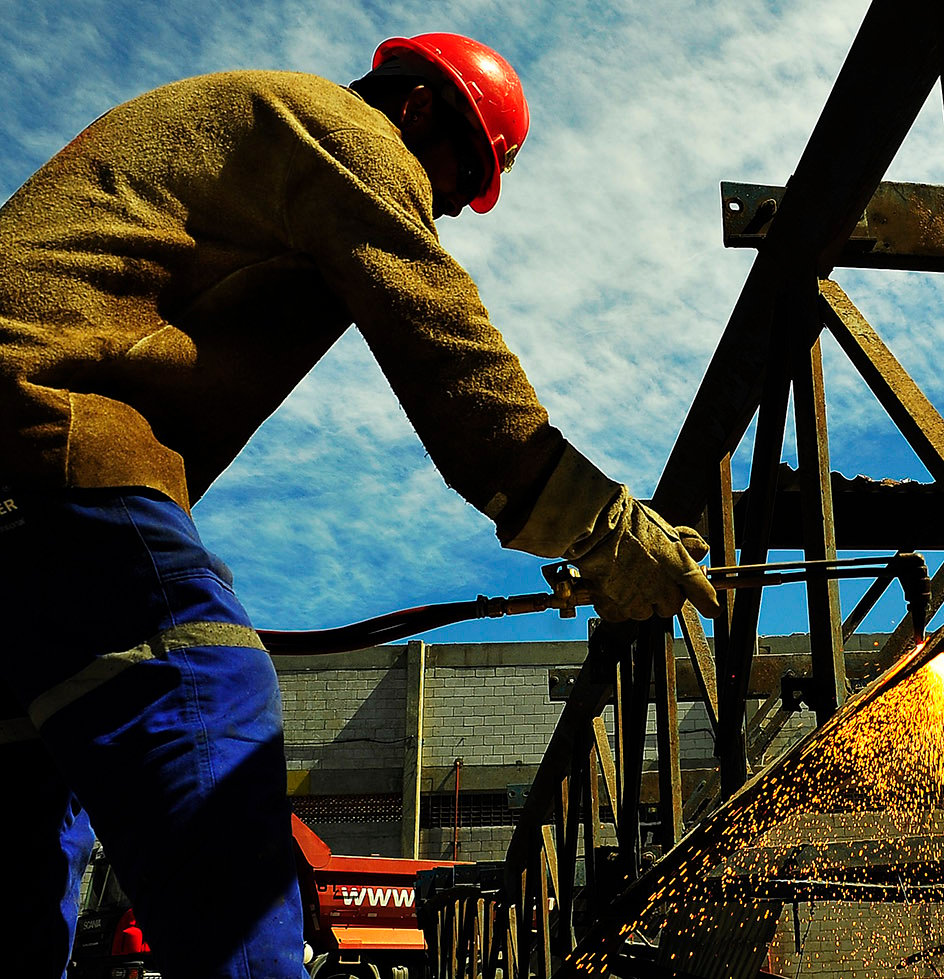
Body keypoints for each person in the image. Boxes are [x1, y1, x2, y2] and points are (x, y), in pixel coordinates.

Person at [0, 32, 718, 978]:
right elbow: (443, 342)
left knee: (30, 787)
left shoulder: (253, 138)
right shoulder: (345, 129)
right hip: (44, 432)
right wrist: (599, 523)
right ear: (417, 105)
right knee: (204, 688)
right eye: (465, 170)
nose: (456, 203)